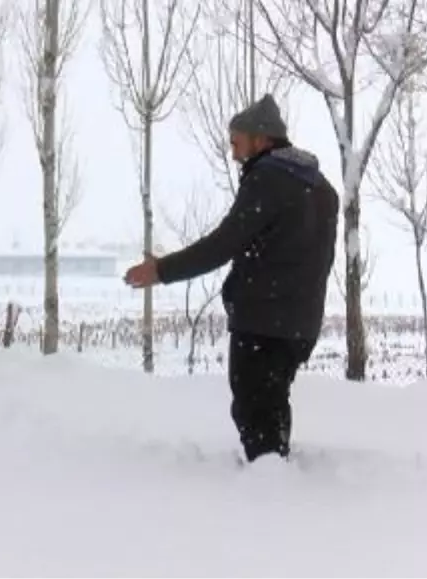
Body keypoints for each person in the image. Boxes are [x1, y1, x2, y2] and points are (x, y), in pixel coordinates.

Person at [123, 94, 338, 463]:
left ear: (262, 138)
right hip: (300, 323)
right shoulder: (321, 187)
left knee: (254, 412)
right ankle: (276, 471)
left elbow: (223, 243)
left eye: (237, 142)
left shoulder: (269, 179)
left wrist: (161, 270)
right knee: (272, 405)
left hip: (263, 322)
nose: (233, 152)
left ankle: (268, 491)